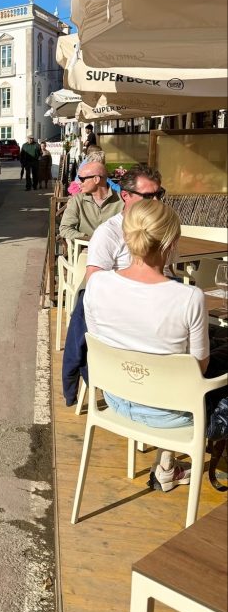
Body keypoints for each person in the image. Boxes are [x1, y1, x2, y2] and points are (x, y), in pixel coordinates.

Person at [84, 200, 208, 491]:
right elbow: (200, 368)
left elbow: (100, 338)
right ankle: (169, 465)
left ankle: (166, 466)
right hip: (169, 413)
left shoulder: (97, 284)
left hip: (115, 398)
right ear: (172, 243)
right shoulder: (189, 298)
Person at [62, 166, 165, 406]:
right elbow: (95, 283)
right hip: (123, 310)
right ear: (126, 196)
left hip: (157, 305)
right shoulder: (106, 230)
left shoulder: (164, 228)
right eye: (149, 196)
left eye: (159, 194)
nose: (157, 201)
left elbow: (167, 271)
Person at [59, 161, 122, 242]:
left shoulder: (122, 200)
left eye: (82, 179)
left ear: (96, 179)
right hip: (85, 250)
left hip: (115, 251)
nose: (78, 183)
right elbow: (65, 229)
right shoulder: (77, 200)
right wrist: (89, 240)